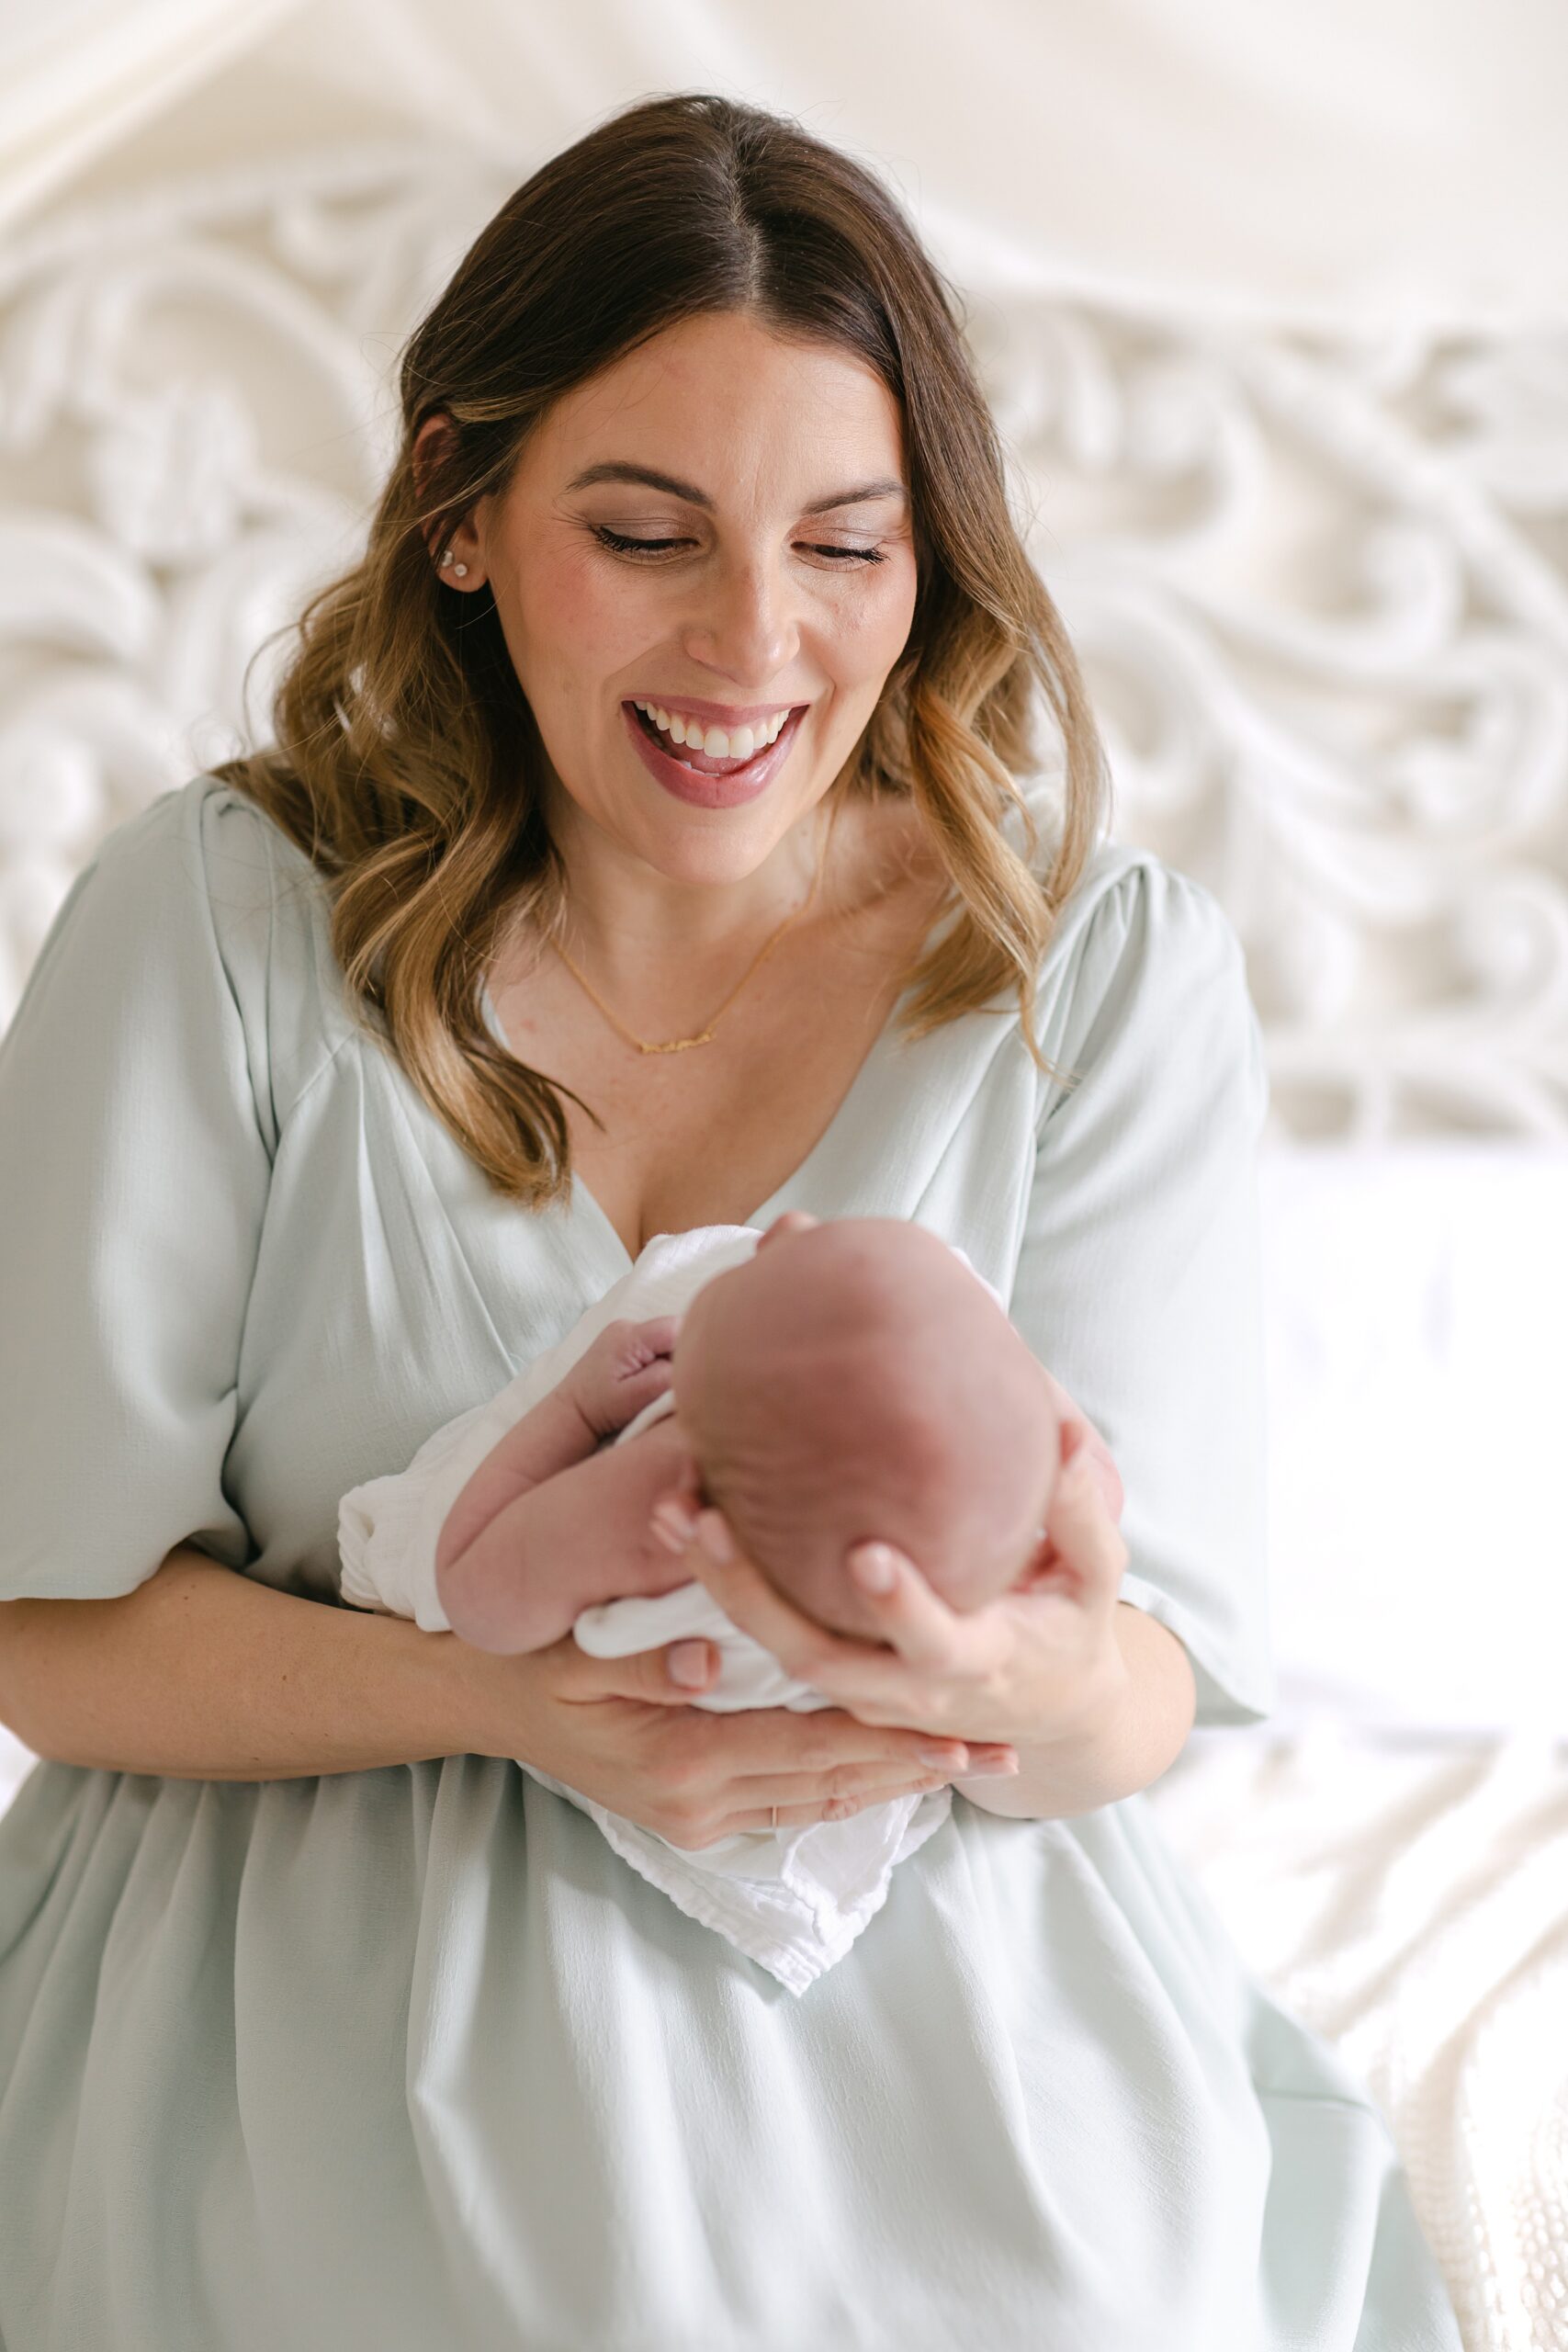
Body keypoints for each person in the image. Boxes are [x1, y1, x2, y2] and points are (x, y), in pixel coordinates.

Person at [0, 90, 1461, 2352]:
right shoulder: (218, 923)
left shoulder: (1090, 981)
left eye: (843, 546)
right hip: (293, 2001)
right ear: (463, 516)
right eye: (643, 530)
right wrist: (498, 1701)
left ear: (930, 559)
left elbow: (1145, 1694)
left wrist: (1008, 1678)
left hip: (938, 2021)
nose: (750, 644)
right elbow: (42, 1626)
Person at [336, 1209, 1100, 1996]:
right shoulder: (977, 1559)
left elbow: (472, 1594)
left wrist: (575, 1412)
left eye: (773, 1275)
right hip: (865, 1844)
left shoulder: (653, 1501)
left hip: (620, 1826)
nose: (790, 1225)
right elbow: (1086, 1488)